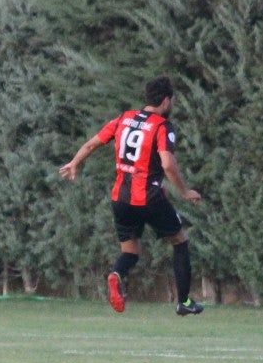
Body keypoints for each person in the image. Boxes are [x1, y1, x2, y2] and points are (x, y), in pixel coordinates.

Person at [58, 76, 204, 316]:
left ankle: (116, 275)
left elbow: (92, 144)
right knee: (180, 242)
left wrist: (74, 163)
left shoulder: (123, 119)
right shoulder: (161, 126)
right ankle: (184, 301)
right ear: (166, 101)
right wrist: (185, 191)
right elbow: (167, 163)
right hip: (149, 197)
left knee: (130, 252)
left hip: (121, 199)